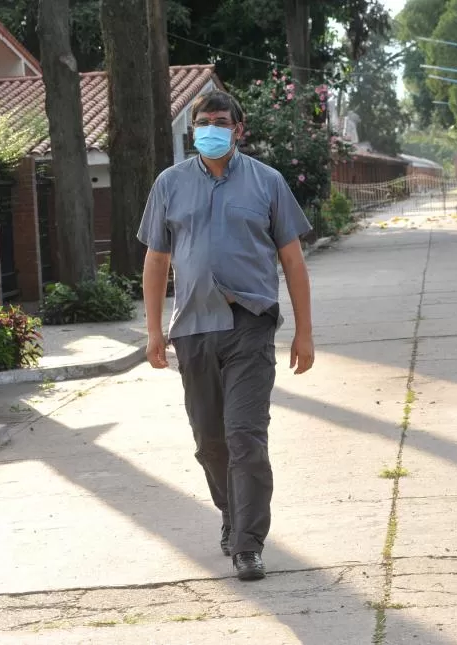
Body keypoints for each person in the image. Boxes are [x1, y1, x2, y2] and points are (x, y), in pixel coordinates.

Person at [137, 89, 315, 581]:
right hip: (194, 329)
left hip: (250, 326)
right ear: (192, 129)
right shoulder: (169, 184)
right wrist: (153, 330)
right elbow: (156, 260)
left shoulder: (268, 182)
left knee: (245, 437)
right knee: (210, 442)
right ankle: (231, 514)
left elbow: (293, 261)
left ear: (239, 129)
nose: (210, 128)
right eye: (202, 121)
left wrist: (305, 332)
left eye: (220, 121)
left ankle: (248, 542)